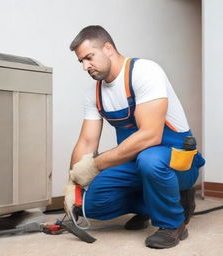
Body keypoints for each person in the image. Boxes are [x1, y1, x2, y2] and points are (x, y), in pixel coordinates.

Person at [64, 25, 205, 249]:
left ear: (108, 48)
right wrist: (74, 182)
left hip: (176, 160)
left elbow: (150, 135)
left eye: (89, 57)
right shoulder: (94, 93)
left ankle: (173, 223)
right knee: (91, 205)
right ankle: (155, 205)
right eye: (81, 61)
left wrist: (95, 165)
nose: (85, 66)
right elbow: (87, 142)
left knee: (150, 159)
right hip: (135, 160)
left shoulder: (144, 72)